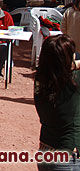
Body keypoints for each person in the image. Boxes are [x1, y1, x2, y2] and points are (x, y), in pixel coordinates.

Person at [34, 35, 80, 170]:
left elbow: (59, 69)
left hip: (46, 151)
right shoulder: (75, 80)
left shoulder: (41, 78)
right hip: (67, 157)